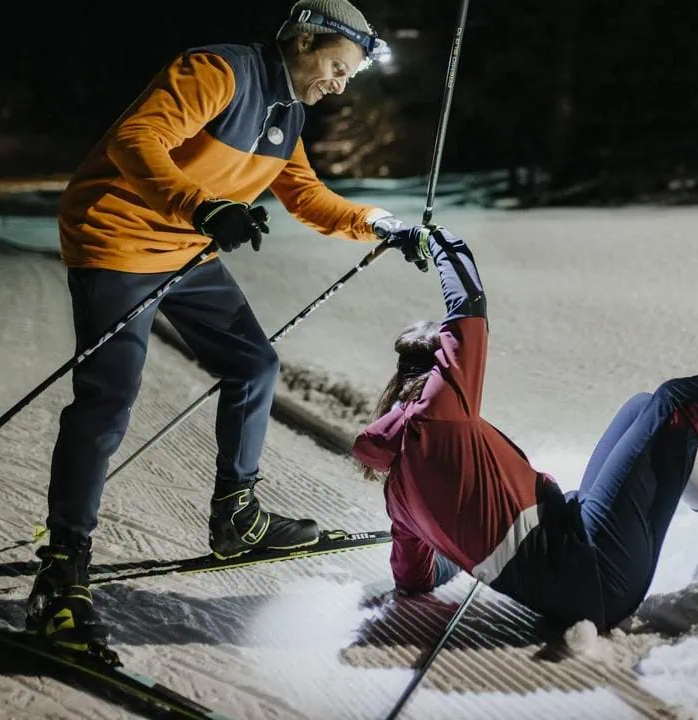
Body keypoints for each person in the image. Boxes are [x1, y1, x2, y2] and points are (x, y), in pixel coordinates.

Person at [27, 0, 430, 651]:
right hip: (118, 239)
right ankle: (61, 572)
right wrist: (204, 205)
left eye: (349, 77)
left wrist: (377, 223)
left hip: (185, 247)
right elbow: (135, 140)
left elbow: (305, 196)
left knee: (253, 364)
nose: (339, 84)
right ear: (302, 39)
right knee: (107, 399)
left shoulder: (288, 112)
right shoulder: (218, 71)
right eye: (336, 67)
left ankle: (236, 517)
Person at [352, 227, 698, 633]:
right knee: (675, 405)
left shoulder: (399, 489)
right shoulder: (439, 416)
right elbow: (469, 307)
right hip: (594, 576)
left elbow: (413, 581)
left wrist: (456, 541)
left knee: (641, 409)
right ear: (435, 373)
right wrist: (438, 241)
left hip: (573, 546)